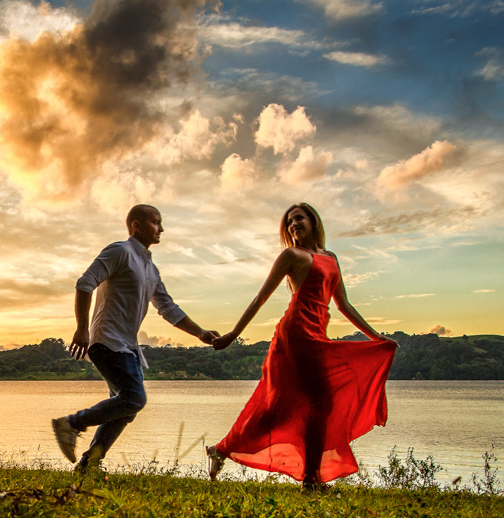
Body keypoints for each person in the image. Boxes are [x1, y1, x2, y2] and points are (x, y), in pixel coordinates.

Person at [206, 202, 396, 487]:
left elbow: (343, 304)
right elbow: (260, 298)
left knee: (294, 407)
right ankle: (310, 479)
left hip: (318, 335)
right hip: (295, 335)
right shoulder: (291, 255)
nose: (293, 225)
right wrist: (234, 335)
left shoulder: (330, 257)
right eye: (289, 223)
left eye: (298, 219)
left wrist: (376, 338)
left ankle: (221, 450)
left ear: (313, 221)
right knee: (313, 404)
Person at [52, 204, 218, 472]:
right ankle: (71, 423)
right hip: (106, 341)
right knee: (134, 399)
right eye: (155, 222)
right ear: (136, 225)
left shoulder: (150, 268)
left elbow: (168, 308)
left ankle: (89, 463)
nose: (161, 228)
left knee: (126, 409)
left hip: (127, 347)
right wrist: (82, 328)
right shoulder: (120, 251)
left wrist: (200, 333)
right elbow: (85, 283)